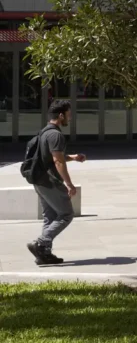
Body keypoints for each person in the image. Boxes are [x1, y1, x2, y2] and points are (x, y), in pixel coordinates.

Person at [26, 99, 86, 265]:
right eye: (69, 114)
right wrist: (69, 184)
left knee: (50, 217)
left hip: (39, 180)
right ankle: (40, 243)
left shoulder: (45, 132)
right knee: (66, 214)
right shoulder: (56, 135)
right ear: (61, 115)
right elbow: (58, 162)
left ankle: (44, 254)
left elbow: (52, 157)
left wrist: (72, 157)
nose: (70, 118)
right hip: (50, 181)